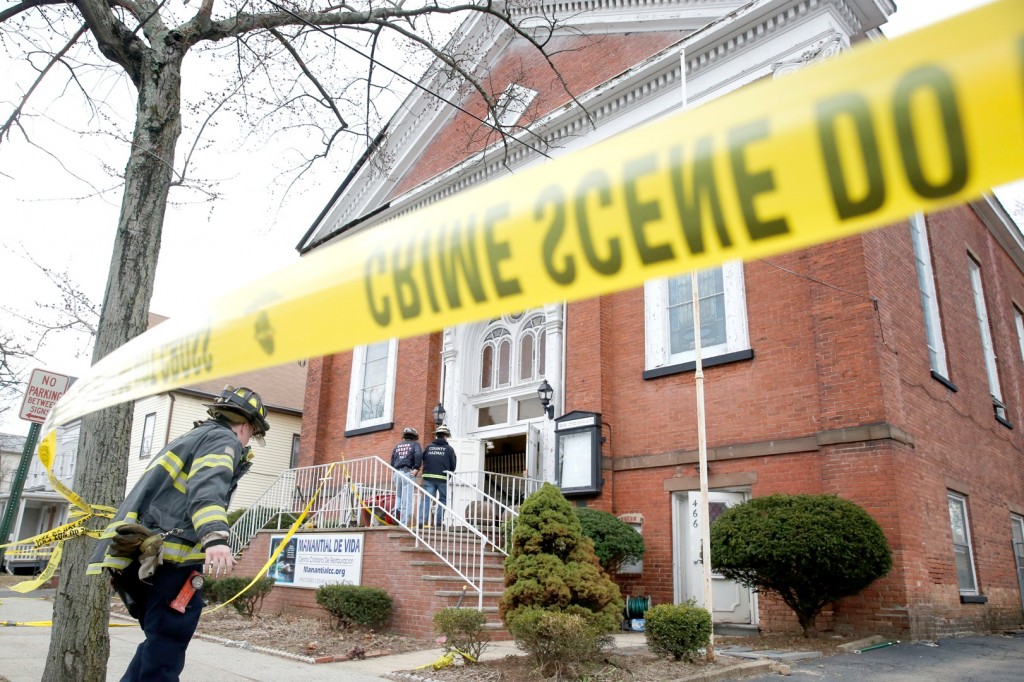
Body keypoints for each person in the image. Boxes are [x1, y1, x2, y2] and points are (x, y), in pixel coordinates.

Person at [87, 386, 270, 682]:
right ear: (246, 426)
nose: (249, 440)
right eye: (253, 434)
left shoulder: (192, 437)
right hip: (172, 560)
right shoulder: (223, 440)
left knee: (158, 643)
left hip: (140, 559)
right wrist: (215, 537)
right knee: (166, 645)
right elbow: (207, 488)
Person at [419, 424, 456, 527]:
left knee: (426, 499)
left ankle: (421, 521)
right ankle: (439, 522)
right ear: (445, 436)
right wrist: (449, 474)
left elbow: (423, 459)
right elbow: (453, 464)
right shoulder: (449, 449)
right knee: (443, 499)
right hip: (442, 478)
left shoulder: (428, 447)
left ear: (437, 435)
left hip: (428, 477)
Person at [390, 426, 423, 524]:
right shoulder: (415, 445)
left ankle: (396, 510)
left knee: (399, 495)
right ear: (414, 437)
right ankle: (404, 521)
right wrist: (417, 468)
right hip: (407, 472)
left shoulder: (397, 446)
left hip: (397, 472)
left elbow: (392, 459)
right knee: (407, 498)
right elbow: (418, 455)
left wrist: (394, 471)